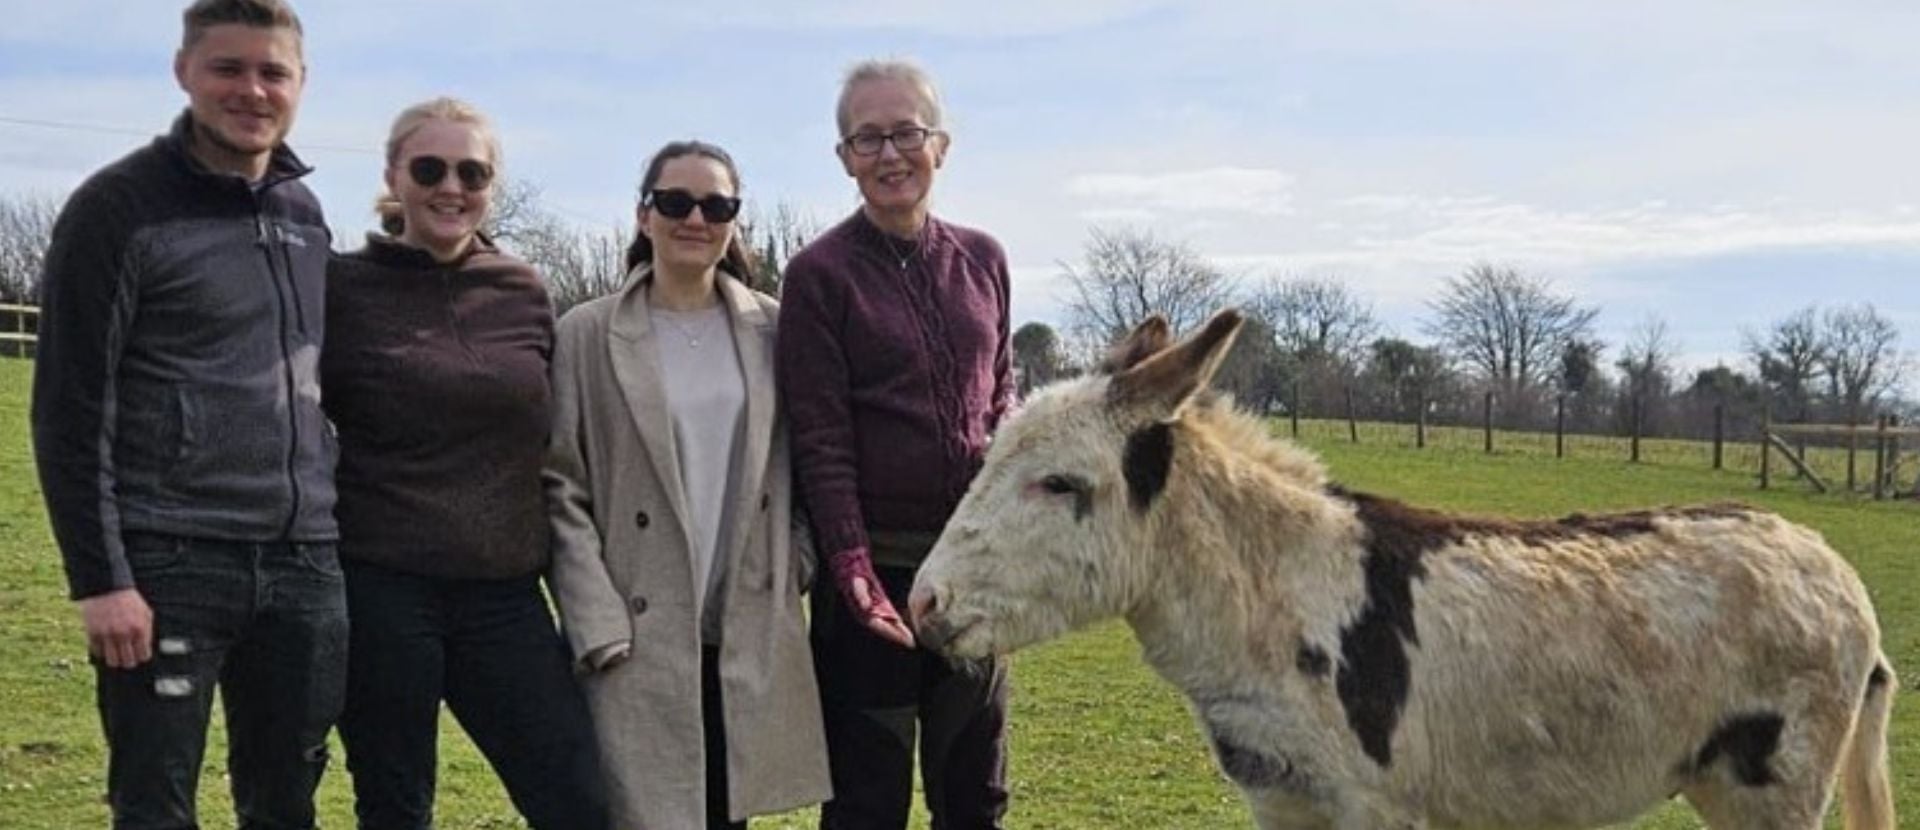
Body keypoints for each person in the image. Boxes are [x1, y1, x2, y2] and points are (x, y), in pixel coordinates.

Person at [29, 2, 346, 827]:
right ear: (184, 73)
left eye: (273, 71)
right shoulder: (118, 209)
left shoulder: (306, 219)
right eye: (228, 68)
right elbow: (69, 408)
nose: (252, 90)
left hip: (301, 565)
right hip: (171, 565)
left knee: (288, 794)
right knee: (156, 796)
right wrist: (102, 582)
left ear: (300, 84)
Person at [320, 97, 608, 830]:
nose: (452, 187)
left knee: (577, 795)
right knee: (395, 801)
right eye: (430, 168)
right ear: (393, 175)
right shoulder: (340, 288)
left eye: (472, 172)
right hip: (383, 586)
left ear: (492, 185)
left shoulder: (523, 291)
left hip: (504, 592)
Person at [546, 140, 831, 829]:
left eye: (717, 204)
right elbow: (559, 483)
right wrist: (595, 616)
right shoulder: (586, 333)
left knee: (724, 812)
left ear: (735, 219)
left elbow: (811, 460)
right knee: (645, 812)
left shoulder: (775, 328)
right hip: (637, 628)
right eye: (675, 202)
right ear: (643, 215)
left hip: (743, 619)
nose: (695, 218)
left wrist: (791, 565)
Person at [777, 59, 1016, 829]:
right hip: (870, 579)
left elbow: (1001, 395)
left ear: (940, 145)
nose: (889, 155)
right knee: (865, 801)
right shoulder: (819, 275)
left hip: (968, 572)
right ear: (844, 157)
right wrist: (850, 571)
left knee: (973, 792)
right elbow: (821, 438)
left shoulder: (985, 260)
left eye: (906, 133)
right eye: (867, 138)